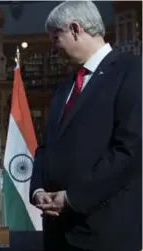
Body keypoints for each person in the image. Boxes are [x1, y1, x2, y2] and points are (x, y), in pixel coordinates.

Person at [29, 2, 142, 251]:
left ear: (75, 29)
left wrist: (72, 198)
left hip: (105, 232)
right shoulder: (63, 88)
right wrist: (37, 190)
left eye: (55, 38)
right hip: (57, 233)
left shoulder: (133, 71)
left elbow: (130, 149)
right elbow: (46, 148)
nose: (53, 48)